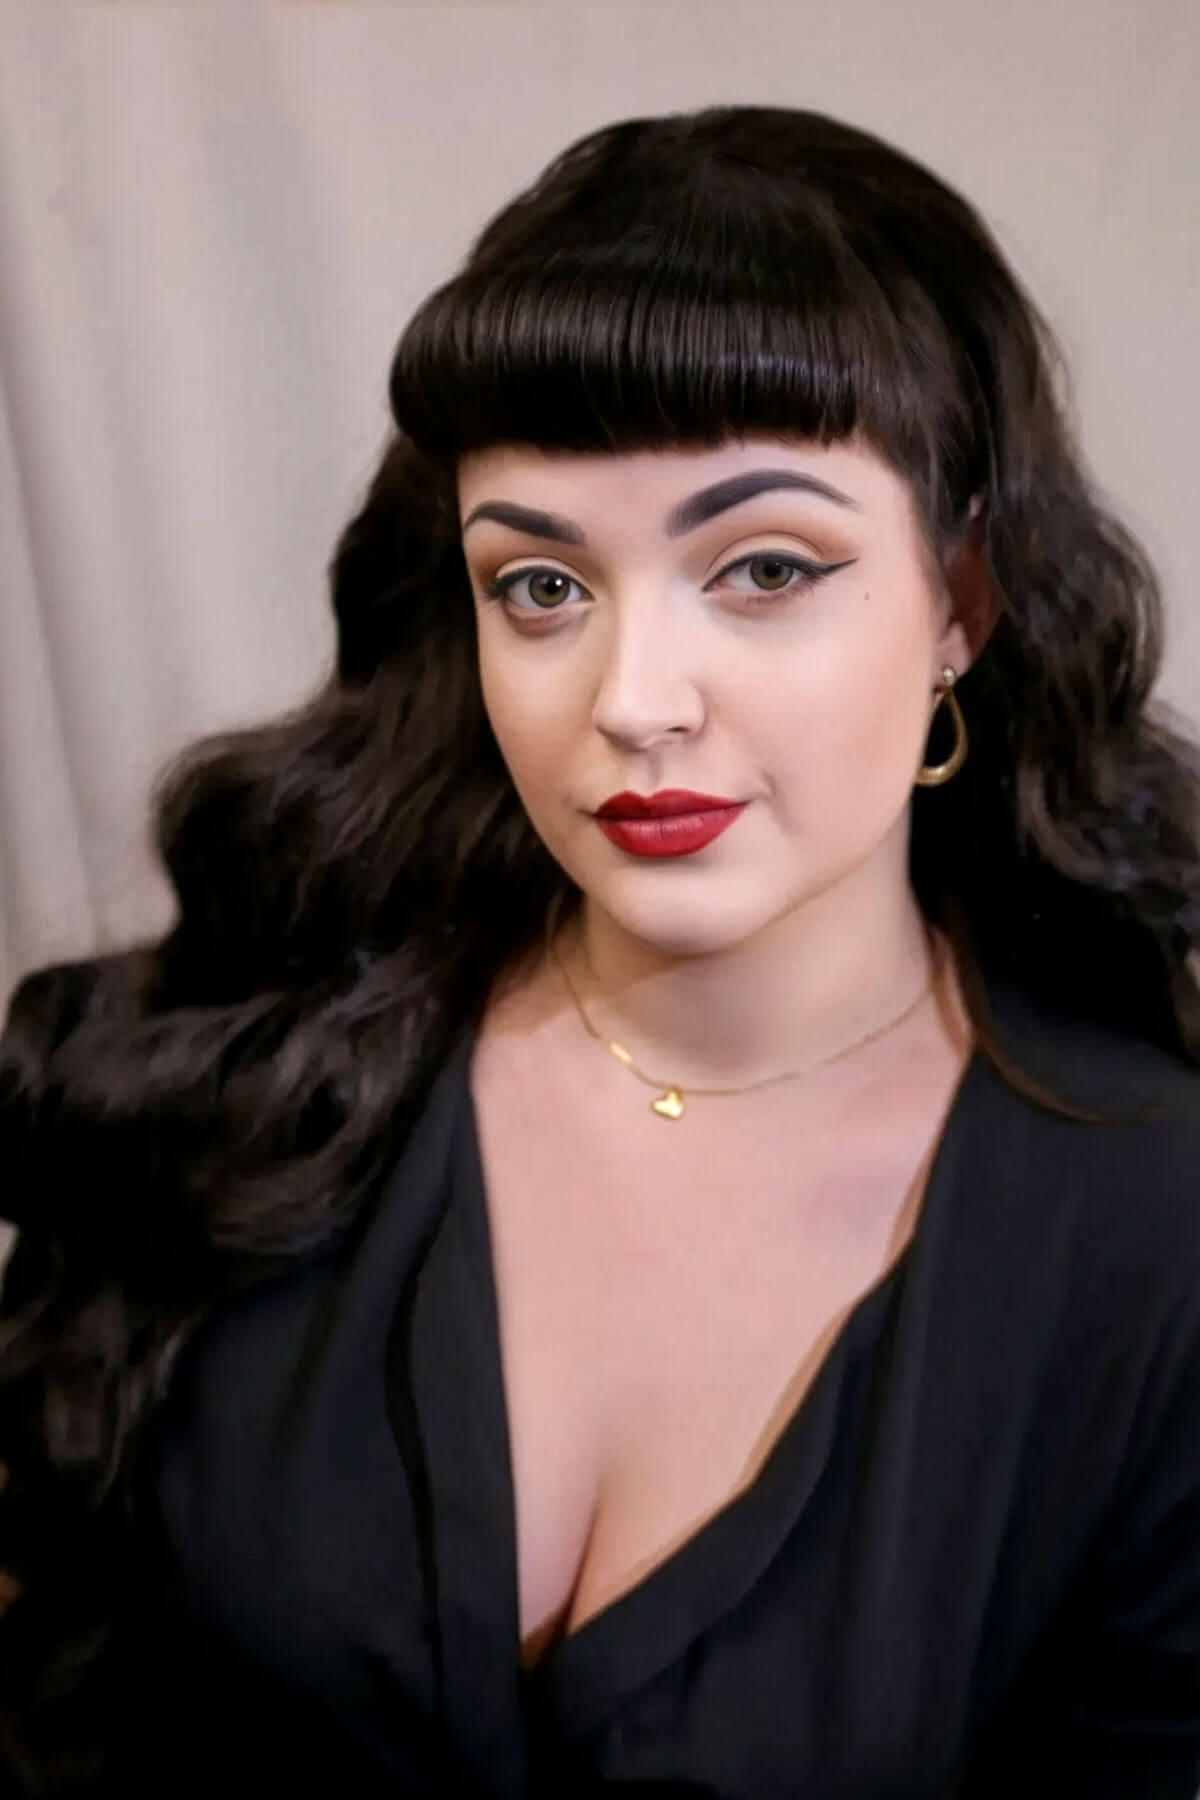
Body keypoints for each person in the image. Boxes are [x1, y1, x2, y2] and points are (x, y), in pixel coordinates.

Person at [2, 102, 1200, 1800]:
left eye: (765, 566)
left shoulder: (1155, 1241)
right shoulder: (268, 1070)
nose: (632, 702)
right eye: (542, 588)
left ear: (962, 600)